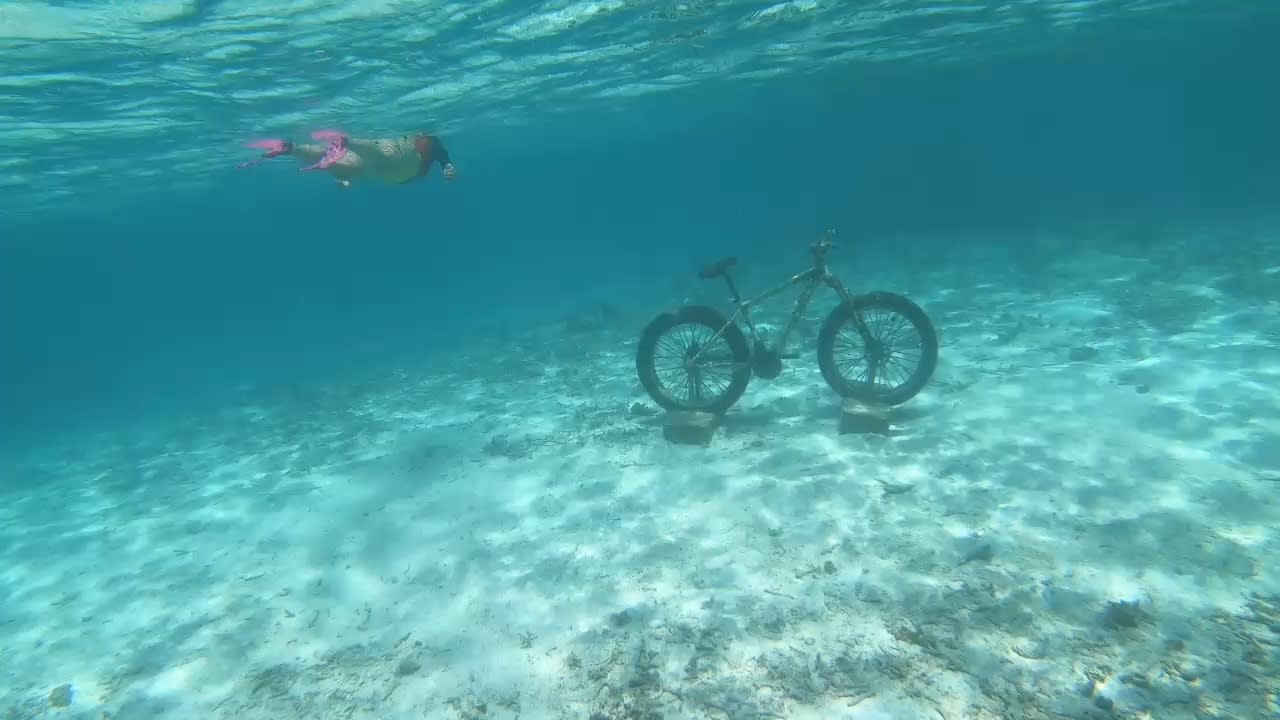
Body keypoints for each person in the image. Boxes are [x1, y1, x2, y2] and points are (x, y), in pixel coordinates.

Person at [236, 130, 456, 188]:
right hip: (396, 172)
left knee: (367, 154)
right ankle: (342, 150)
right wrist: (447, 165)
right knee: (352, 164)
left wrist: (446, 164)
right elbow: (436, 148)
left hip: (392, 165)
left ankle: (292, 149)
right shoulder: (423, 143)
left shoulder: (413, 141)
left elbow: (437, 149)